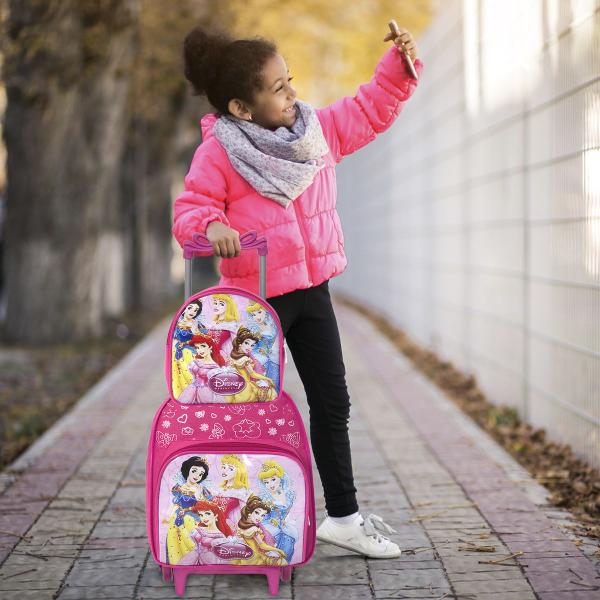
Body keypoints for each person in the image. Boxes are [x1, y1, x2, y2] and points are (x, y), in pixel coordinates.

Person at [172, 23, 423, 559]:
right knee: (247, 412)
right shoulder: (220, 152)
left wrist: (397, 68)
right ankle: (230, 527)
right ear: (242, 107)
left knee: (333, 402)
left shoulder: (313, 132)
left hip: (313, 294)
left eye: (290, 80)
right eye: (279, 88)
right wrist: (210, 227)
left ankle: (344, 517)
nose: (293, 93)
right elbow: (191, 208)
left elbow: (367, 109)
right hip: (256, 304)